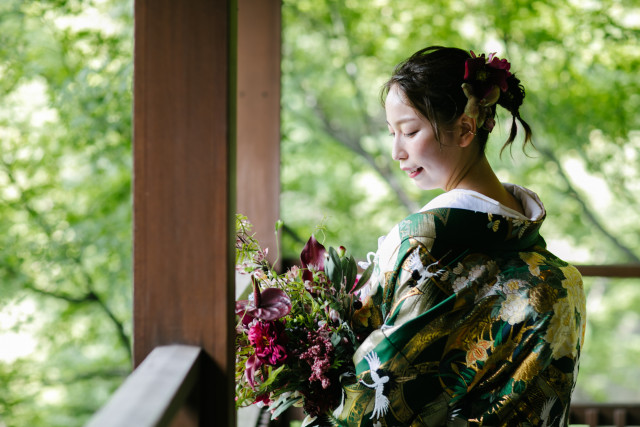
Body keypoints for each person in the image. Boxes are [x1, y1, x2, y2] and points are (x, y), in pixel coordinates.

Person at [333, 46, 586, 426]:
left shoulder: (424, 245)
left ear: (466, 129)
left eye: (410, 131)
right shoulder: (560, 275)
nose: (397, 151)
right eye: (391, 133)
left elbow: (377, 403)